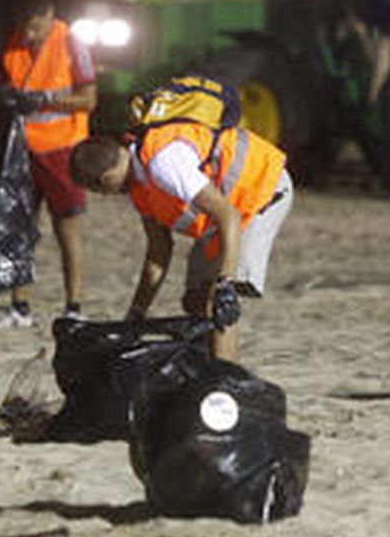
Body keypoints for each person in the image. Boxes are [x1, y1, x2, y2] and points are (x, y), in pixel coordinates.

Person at [69, 122, 293, 363]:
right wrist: (137, 312)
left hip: (261, 192)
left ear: (105, 178)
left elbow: (229, 216)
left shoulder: (165, 165)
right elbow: (158, 252)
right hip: (225, 212)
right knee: (194, 299)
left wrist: (224, 283)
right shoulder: (138, 185)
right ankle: (205, 371)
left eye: (101, 192)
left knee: (216, 301)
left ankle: (224, 383)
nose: (107, 196)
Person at [0, 0, 97, 329]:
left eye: (36, 28)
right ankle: (20, 308)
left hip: (63, 149)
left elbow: (89, 99)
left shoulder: (72, 43)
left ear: (50, 15)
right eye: (26, 29)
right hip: (21, 150)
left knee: (68, 230)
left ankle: (74, 307)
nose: (30, 36)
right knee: (20, 229)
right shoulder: (11, 39)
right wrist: (7, 96)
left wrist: (46, 100)